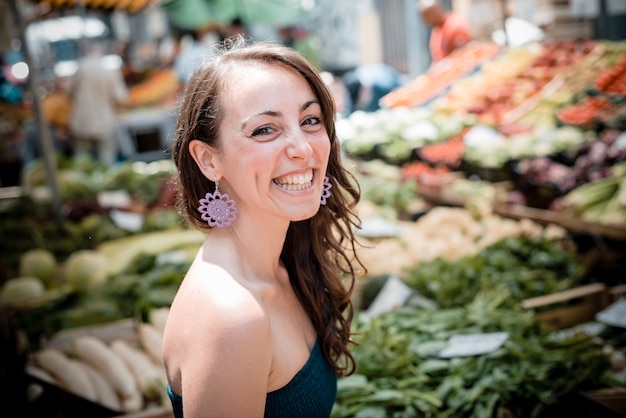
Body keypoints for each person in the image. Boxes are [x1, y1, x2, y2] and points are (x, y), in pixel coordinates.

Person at [162, 37, 365, 417]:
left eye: (310, 120)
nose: (302, 149)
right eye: (264, 130)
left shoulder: (286, 261)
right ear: (208, 160)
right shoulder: (232, 317)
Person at [68, 44, 128, 165]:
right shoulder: (109, 72)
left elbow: (69, 92)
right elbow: (121, 97)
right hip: (104, 122)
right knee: (106, 160)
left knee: (82, 161)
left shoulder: (80, 69)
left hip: (81, 121)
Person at [418, 0, 472, 64]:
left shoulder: (455, 25)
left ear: (434, 12)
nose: (425, 20)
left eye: (425, 16)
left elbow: (463, 55)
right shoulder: (437, 28)